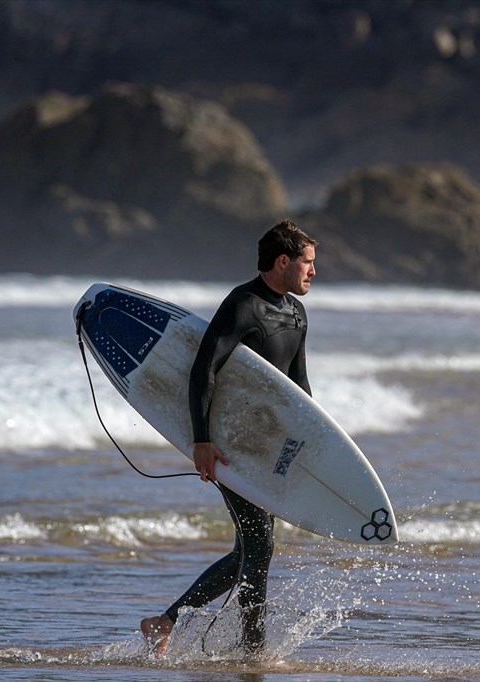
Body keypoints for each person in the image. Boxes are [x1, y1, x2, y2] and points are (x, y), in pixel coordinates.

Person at [141, 219, 317, 655]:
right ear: (283, 261)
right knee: (260, 544)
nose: (313, 271)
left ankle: (164, 622)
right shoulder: (242, 305)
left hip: (267, 448)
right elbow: (204, 370)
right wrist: (201, 440)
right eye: (308, 263)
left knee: (249, 550)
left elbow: (297, 386)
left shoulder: (297, 313)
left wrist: (311, 440)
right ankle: (252, 650)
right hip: (228, 445)